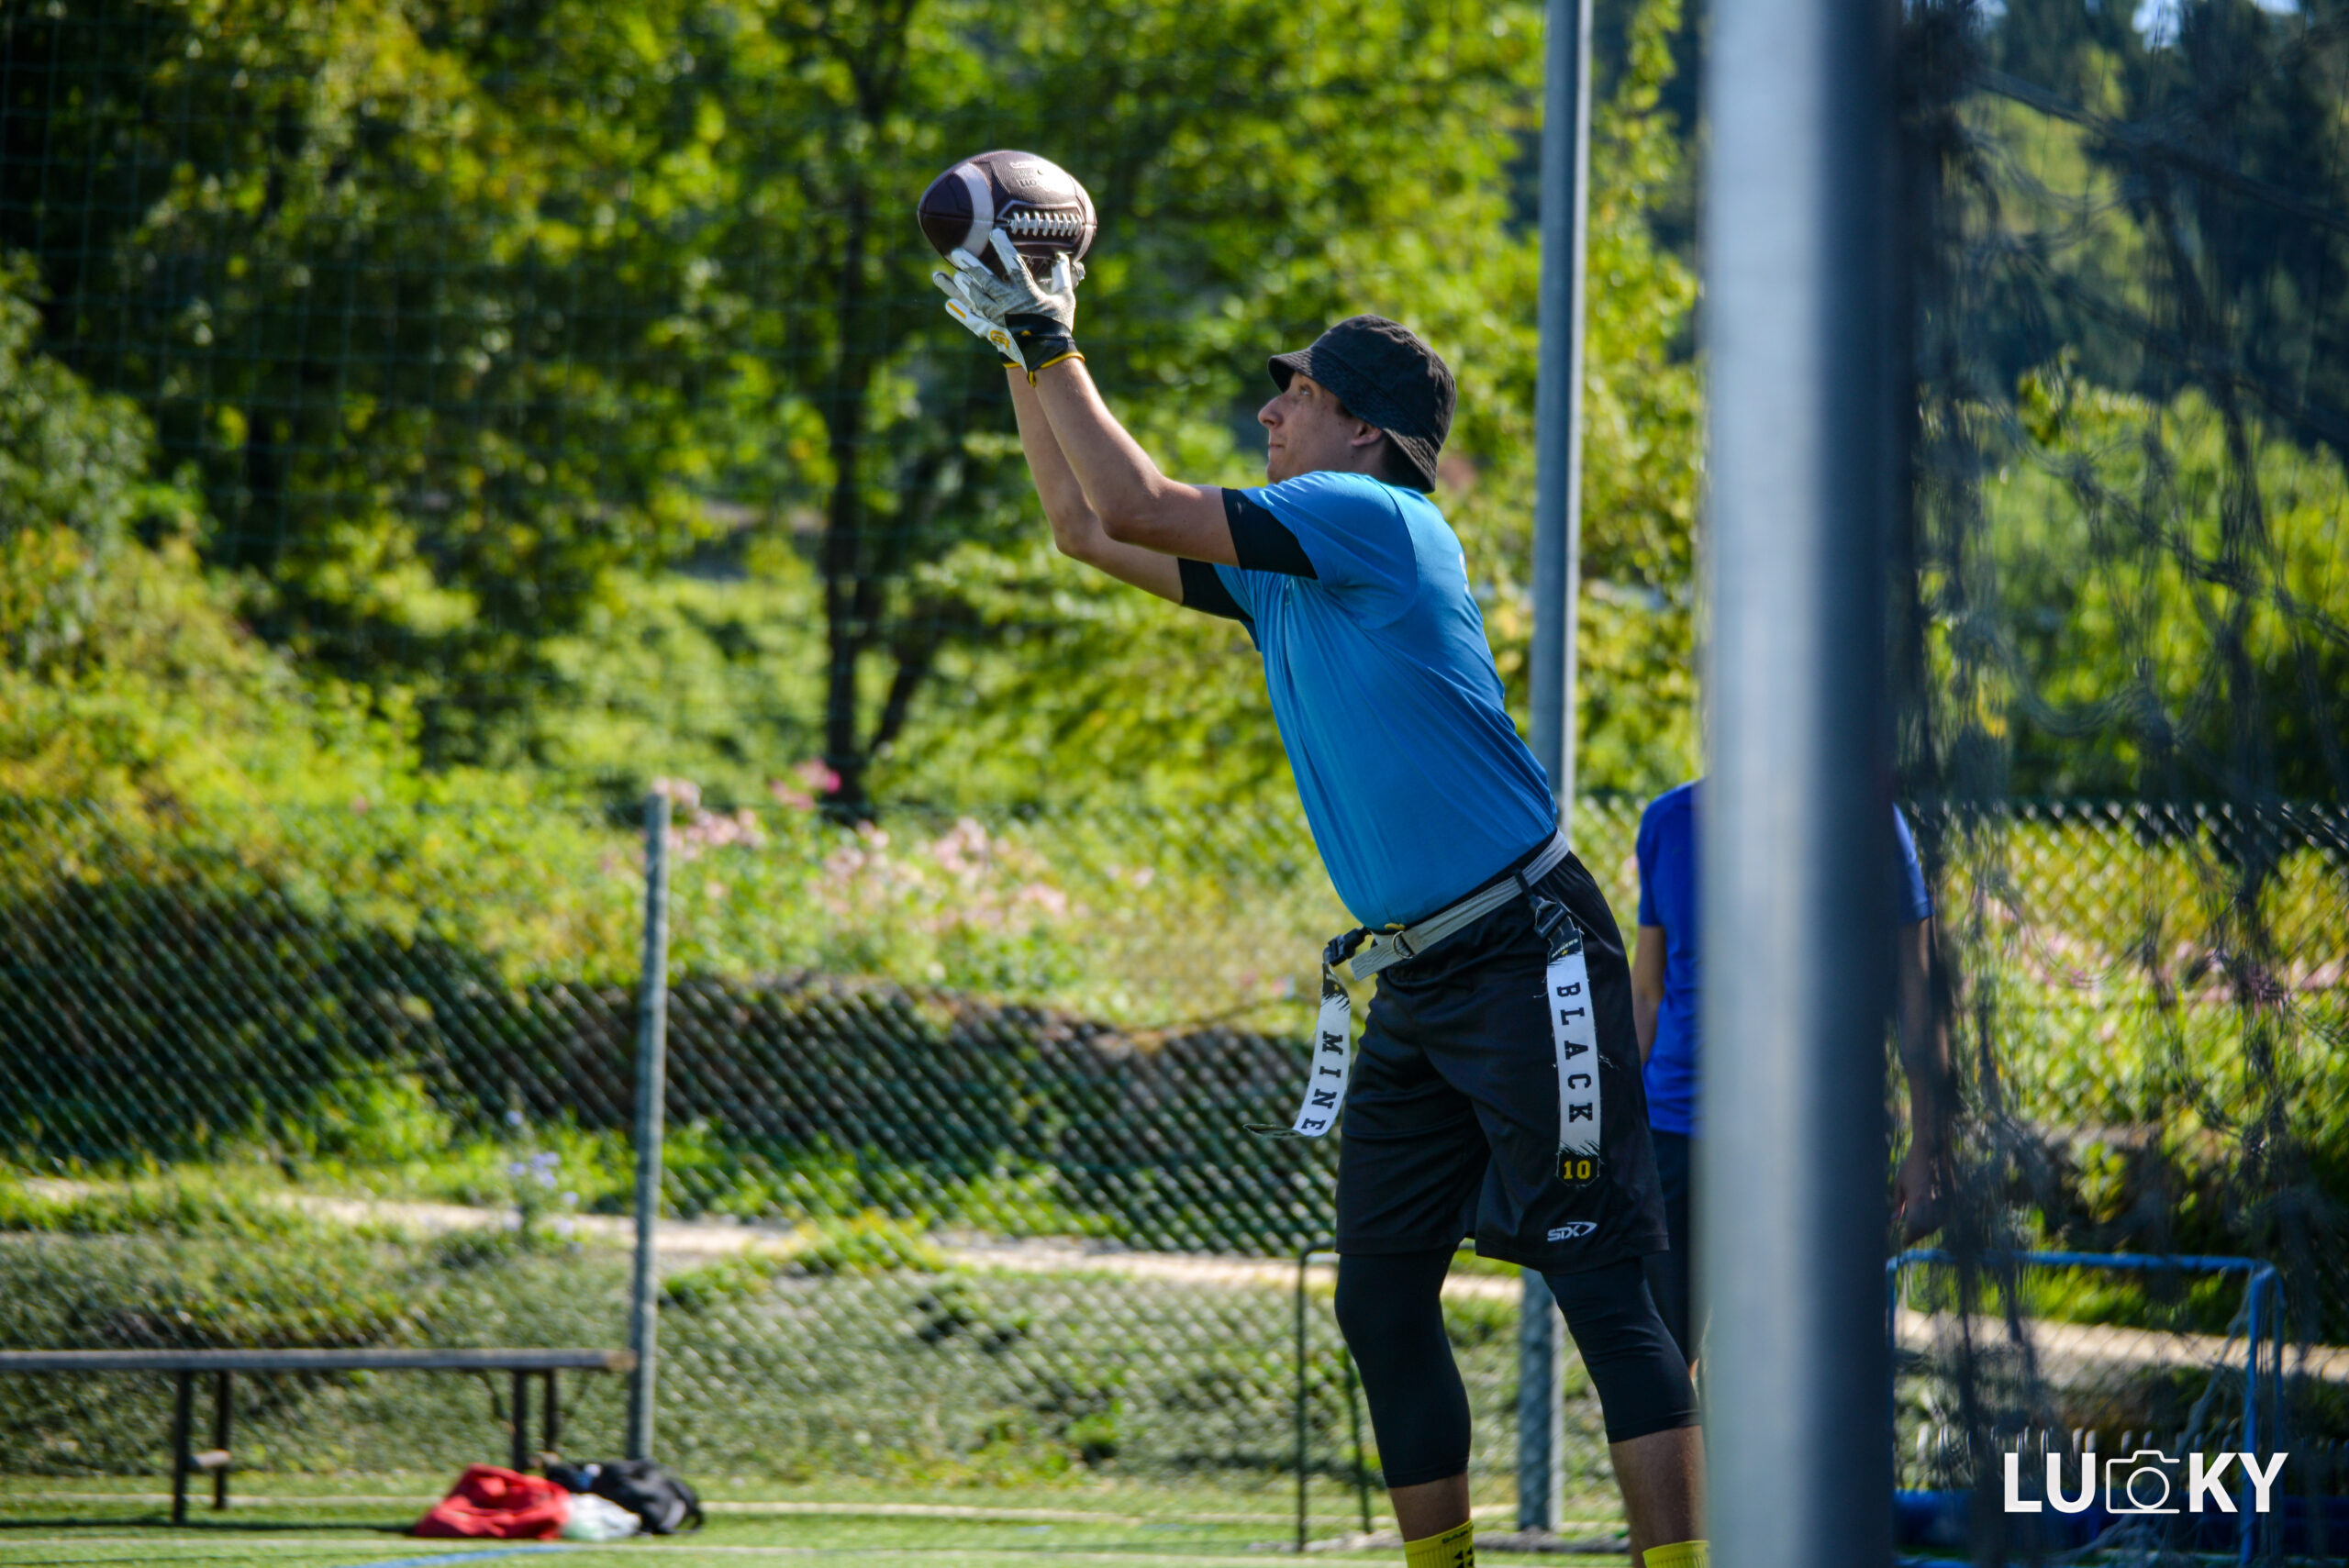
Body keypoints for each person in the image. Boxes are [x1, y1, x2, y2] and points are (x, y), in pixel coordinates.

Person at [933, 234, 1707, 1568]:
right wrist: (1017, 344)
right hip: (1419, 972)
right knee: (1380, 1300)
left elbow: (1140, 499)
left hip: (1526, 952)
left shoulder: (1374, 517)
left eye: (1296, 391)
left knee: (1603, 1285)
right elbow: (1082, 525)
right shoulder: (1301, 560)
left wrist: (1053, 334)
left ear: (1365, 430)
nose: (1268, 409)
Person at [1630, 778, 1953, 1368]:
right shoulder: (1667, 820)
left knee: (1799, 1369)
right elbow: (1648, 995)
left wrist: (1927, 1150)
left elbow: (1917, 992)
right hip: (1676, 1137)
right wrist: (1614, 1136)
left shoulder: (1868, 817)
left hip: (1813, 1146)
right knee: (1664, 1371)